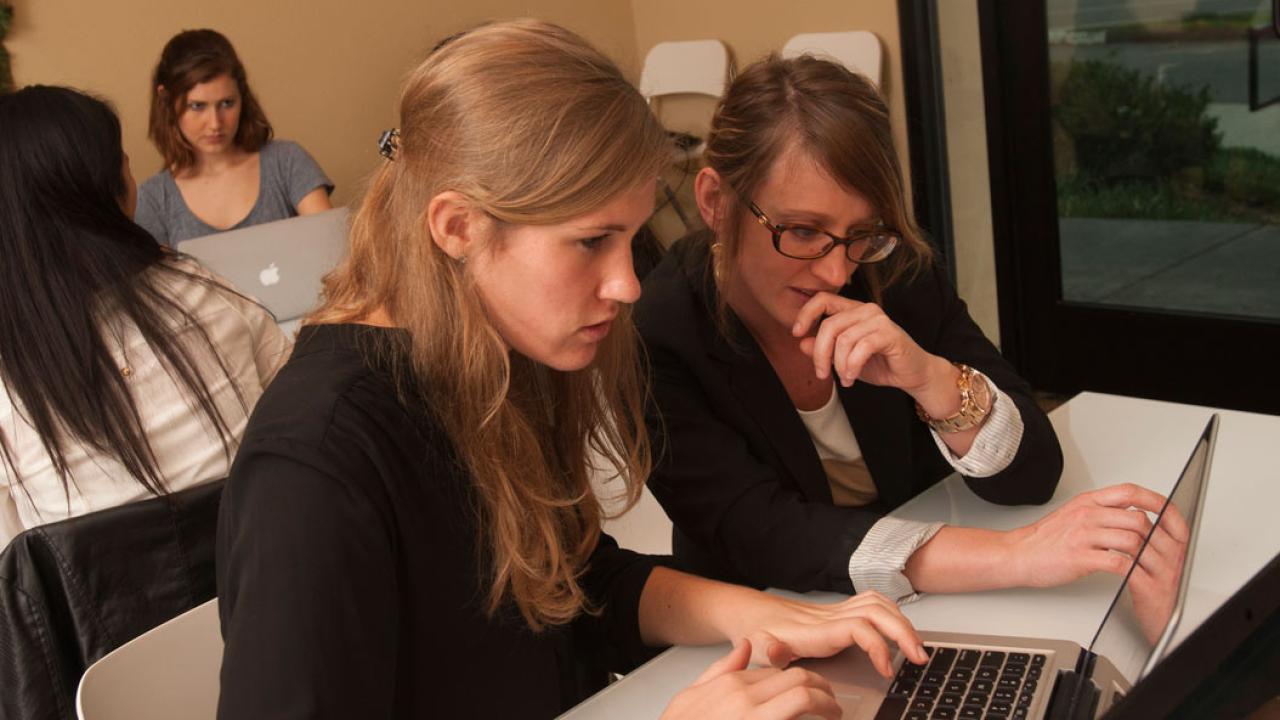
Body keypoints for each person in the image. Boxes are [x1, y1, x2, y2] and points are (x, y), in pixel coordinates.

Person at [215, 21, 928, 720]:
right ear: (459, 227)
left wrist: (774, 616)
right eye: (590, 242)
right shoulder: (315, 463)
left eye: (630, 237)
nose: (627, 285)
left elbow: (576, 586)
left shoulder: (494, 353)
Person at [636, 54, 1167, 601]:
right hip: (769, 622)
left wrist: (934, 382)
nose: (836, 270)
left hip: (936, 598)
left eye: (860, 232)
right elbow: (765, 536)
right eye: (800, 231)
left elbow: (1034, 473)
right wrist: (1015, 555)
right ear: (714, 202)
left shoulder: (891, 269)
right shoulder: (661, 333)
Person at [0, 85, 289, 545]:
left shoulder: (10, 386)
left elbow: (18, 572)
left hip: (114, 617)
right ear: (109, 189)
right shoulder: (199, 293)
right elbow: (303, 411)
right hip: (266, 582)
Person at [135, 29, 333, 247]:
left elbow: (329, 251)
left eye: (227, 103)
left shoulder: (287, 161)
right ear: (166, 101)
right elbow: (159, 280)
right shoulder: (154, 199)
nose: (215, 123)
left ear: (242, 97)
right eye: (197, 106)